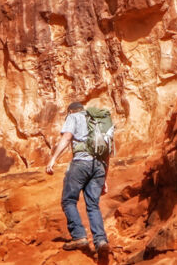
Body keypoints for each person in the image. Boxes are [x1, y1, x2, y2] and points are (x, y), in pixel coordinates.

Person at [45, 101, 115, 255]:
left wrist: (53, 159)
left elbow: (67, 137)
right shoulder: (98, 121)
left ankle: (79, 236)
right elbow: (107, 152)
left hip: (81, 164)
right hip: (99, 166)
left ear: (70, 111)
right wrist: (104, 179)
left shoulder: (74, 117)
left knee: (68, 200)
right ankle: (101, 241)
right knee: (93, 205)